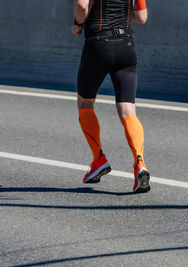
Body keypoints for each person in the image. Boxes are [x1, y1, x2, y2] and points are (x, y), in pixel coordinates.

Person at [71, 0, 150, 193]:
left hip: (99, 44)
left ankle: (98, 159)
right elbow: (142, 17)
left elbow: (82, 7)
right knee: (128, 109)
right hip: (126, 46)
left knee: (86, 103)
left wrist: (78, 24)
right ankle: (140, 163)